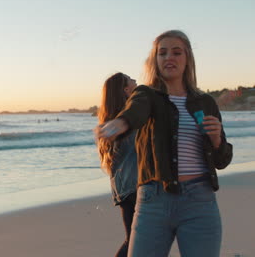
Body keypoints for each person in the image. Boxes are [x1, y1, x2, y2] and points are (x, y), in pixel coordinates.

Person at [95, 30, 233, 256]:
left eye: (176, 52)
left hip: (200, 201)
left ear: (187, 58)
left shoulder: (205, 102)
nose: (169, 57)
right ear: (155, 60)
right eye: (163, 53)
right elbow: (136, 110)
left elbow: (222, 160)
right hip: (154, 201)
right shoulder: (147, 95)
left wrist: (217, 139)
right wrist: (122, 123)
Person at [96, 72, 138, 257]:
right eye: (131, 79)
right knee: (135, 241)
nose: (136, 81)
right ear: (126, 90)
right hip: (134, 187)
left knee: (134, 240)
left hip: (122, 189)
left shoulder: (112, 120)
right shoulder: (128, 121)